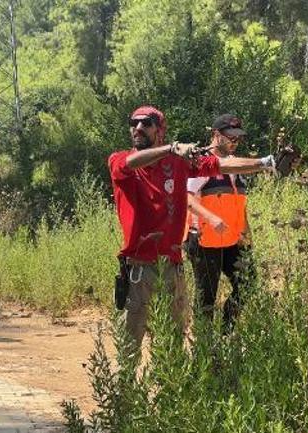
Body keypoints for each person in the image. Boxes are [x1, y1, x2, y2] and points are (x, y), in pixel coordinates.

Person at [108, 105, 279, 363]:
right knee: (130, 344)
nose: (138, 128)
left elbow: (222, 164)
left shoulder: (178, 163)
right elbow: (131, 163)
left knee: (172, 344)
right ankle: (124, 399)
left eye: (147, 123)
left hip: (172, 266)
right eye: (134, 123)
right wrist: (171, 148)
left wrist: (265, 163)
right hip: (139, 267)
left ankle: (171, 397)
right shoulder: (120, 160)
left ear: (160, 129)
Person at [185, 114, 258, 331]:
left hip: (232, 239)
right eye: (230, 137)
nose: (235, 142)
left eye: (238, 138)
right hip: (204, 240)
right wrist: (210, 217)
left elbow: (238, 203)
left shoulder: (235, 166)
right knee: (206, 299)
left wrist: (247, 232)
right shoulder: (201, 162)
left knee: (248, 282)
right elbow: (185, 197)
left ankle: (226, 331)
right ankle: (205, 350)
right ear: (216, 135)